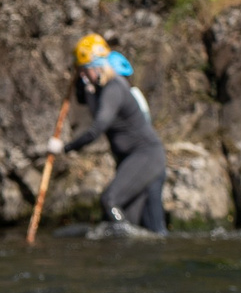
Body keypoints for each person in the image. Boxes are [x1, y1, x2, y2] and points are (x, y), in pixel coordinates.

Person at [47, 34, 167, 235]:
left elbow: (96, 130)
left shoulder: (114, 88)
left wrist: (64, 148)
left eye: (85, 71)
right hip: (132, 160)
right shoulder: (98, 90)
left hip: (147, 157)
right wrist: (81, 78)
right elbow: (83, 97)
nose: (83, 76)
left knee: (110, 200)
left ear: (98, 67)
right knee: (136, 225)